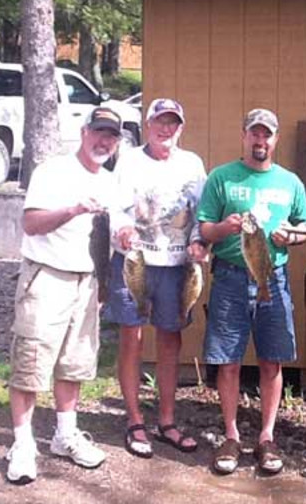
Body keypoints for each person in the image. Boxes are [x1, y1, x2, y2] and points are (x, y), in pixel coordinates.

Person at [6, 107, 122, 485]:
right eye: (99, 133)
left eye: (112, 136)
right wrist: (72, 210)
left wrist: (124, 238)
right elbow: (31, 223)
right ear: (84, 132)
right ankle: (23, 444)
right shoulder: (52, 171)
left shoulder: (110, 181)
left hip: (89, 281)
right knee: (31, 360)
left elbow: (114, 234)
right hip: (47, 277)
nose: (104, 142)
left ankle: (64, 434)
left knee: (74, 363)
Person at [198, 108, 306, 475]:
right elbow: (204, 231)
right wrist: (223, 228)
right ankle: (230, 435)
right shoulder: (222, 178)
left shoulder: (290, 182)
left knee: (271, 360)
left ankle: (266, 437)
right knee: (228, 361)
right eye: (254, 134)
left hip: (272, 277)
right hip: (230, 277)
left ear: (275, 140)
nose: (260, 141)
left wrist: (292, 236)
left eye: (267, 135)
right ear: (244, 136)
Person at [105, 98, 208, 458]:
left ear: (181, 127)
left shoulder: (193, 164)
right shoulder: (130, 160)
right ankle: (134, 421)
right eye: (160, 122)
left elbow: (201, 212)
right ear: (148, 125)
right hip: (135, 260)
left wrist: (198, 243)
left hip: (177, 265)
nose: (167, 130)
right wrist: (121, 230)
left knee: (170, 340)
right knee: (131, 337)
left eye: (173, 123)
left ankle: (166, 421)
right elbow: (115, 206)